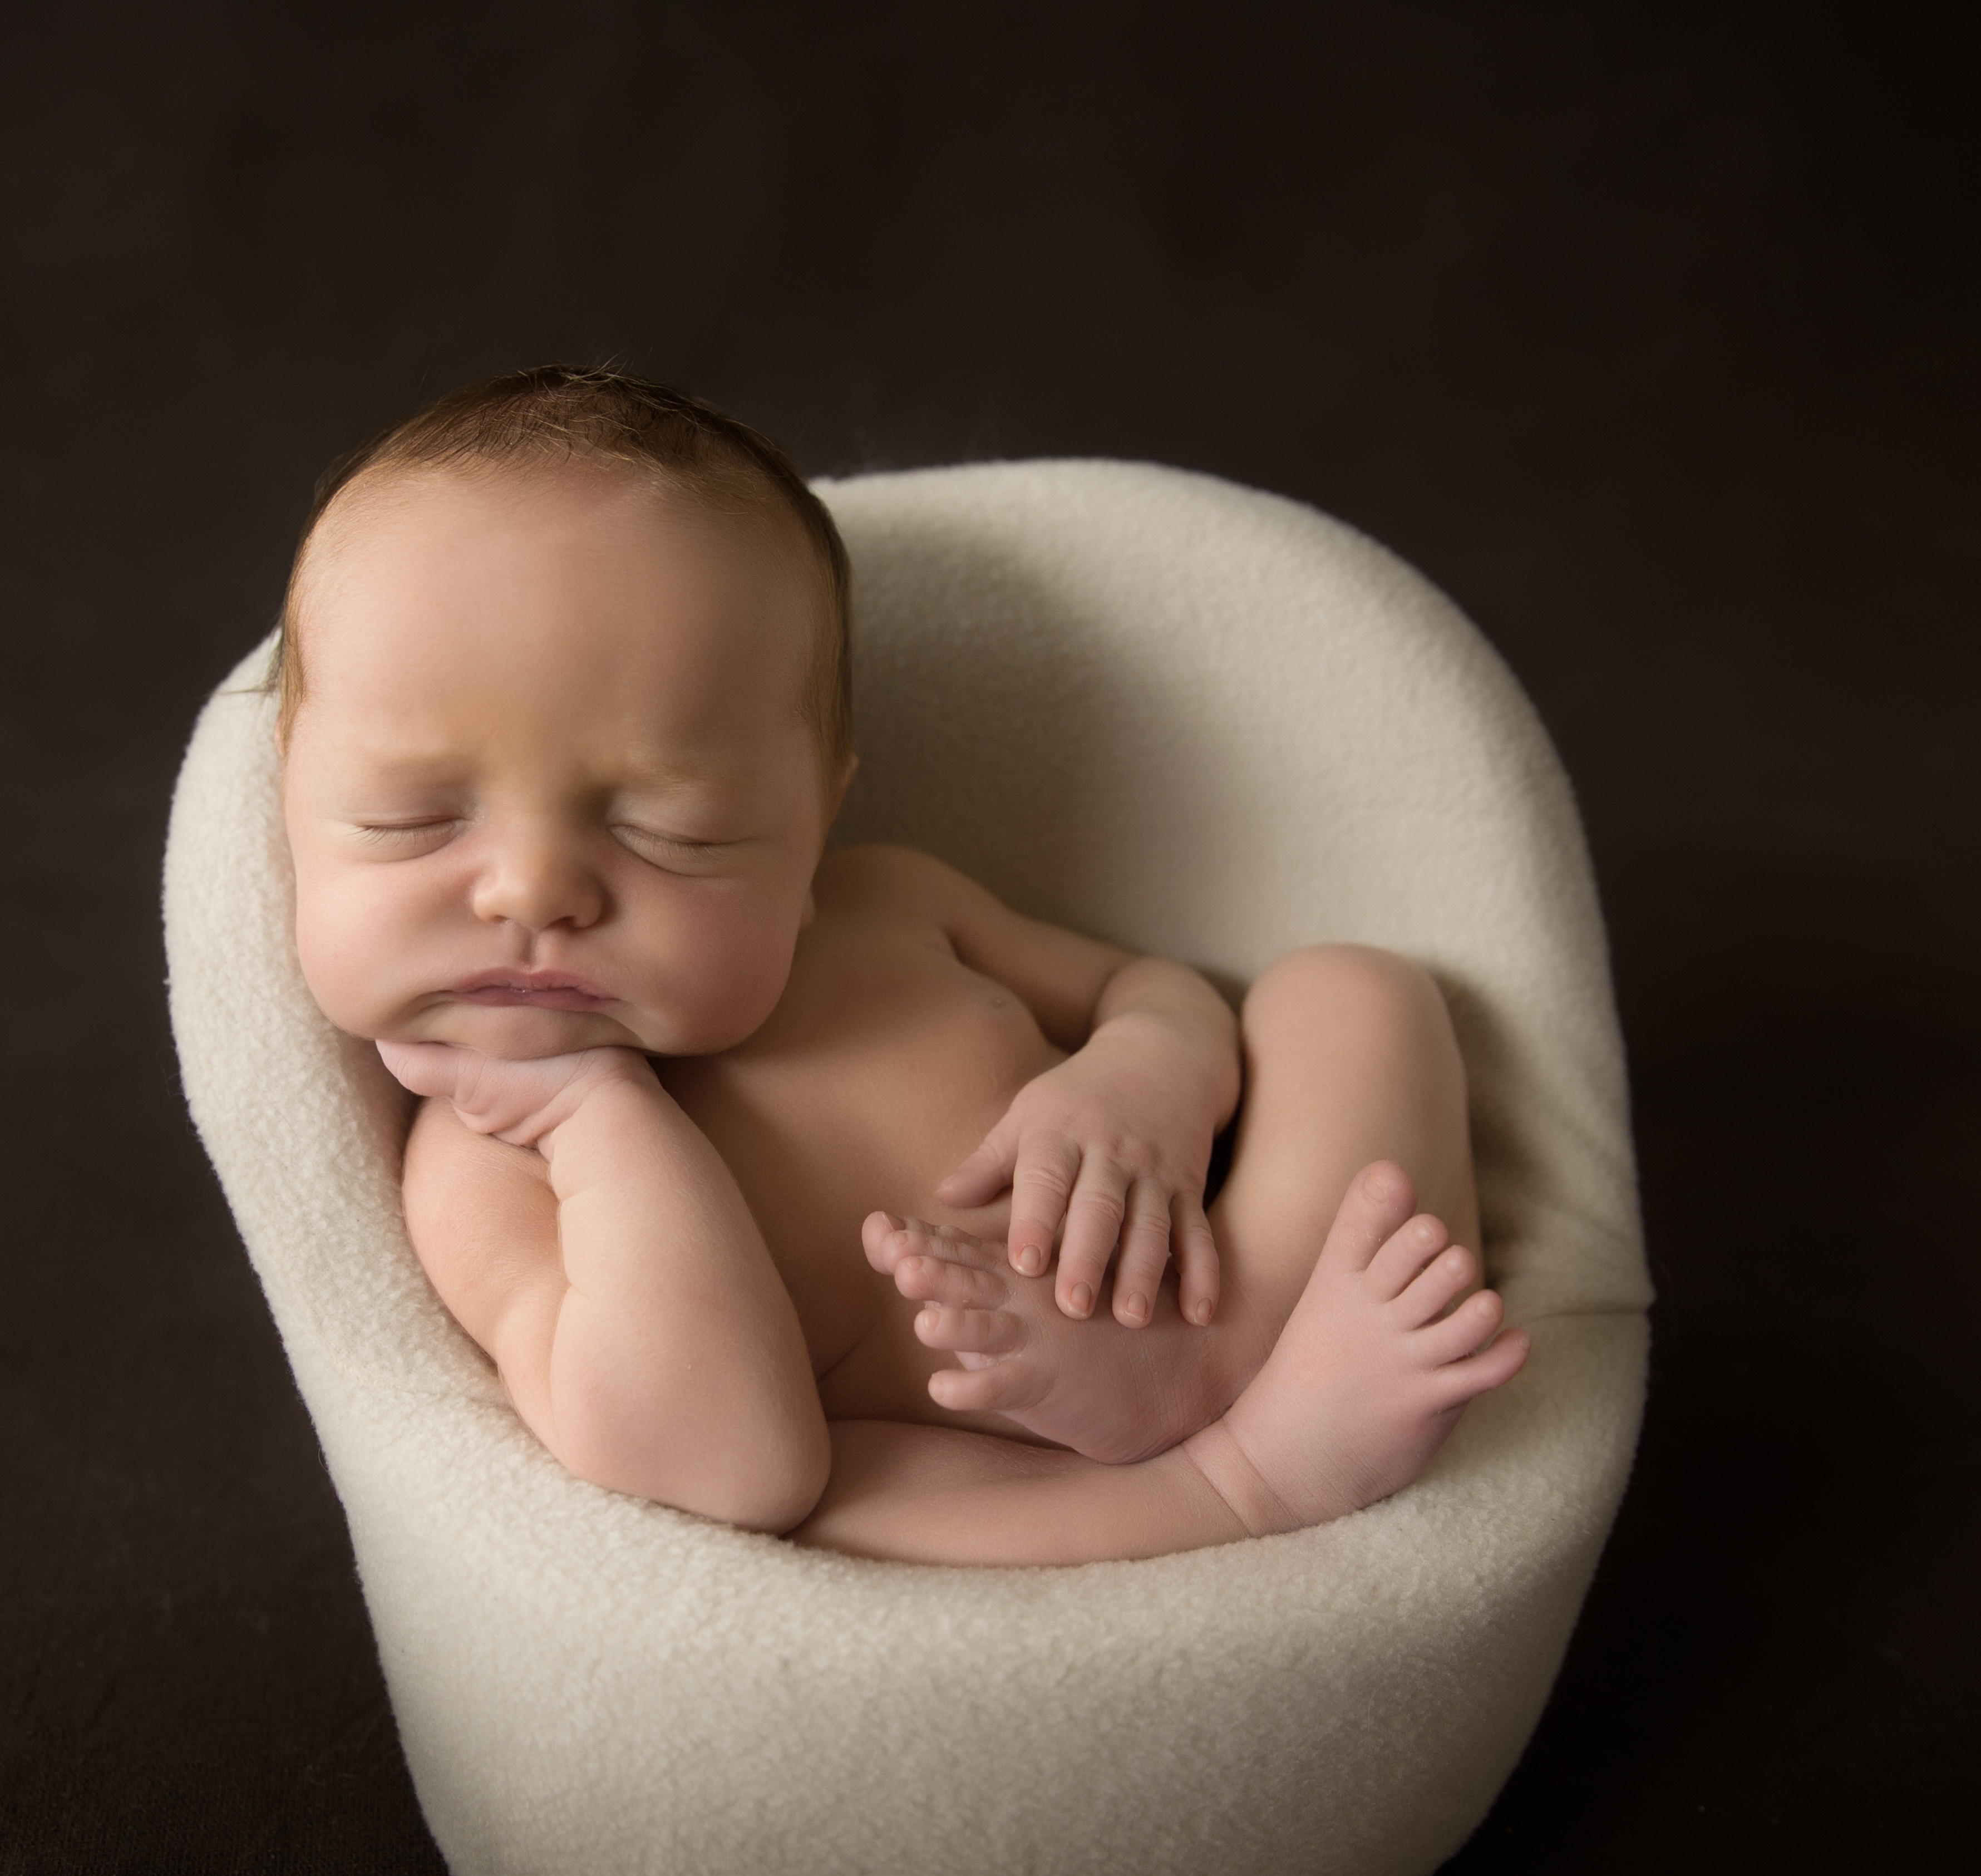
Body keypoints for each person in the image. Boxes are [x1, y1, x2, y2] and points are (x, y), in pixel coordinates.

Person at [277, 366, 1527, 1568]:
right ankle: (1251, 1479)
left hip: (1237, 1262)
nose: (532, 891)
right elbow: (726, 1467)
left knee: (1354, 993)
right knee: (827, 1507)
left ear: (816, 819)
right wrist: (596, 1115)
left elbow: (1149, 988)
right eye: (413, 820)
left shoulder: (892, 906)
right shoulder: (487, 1167)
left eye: (674, 831)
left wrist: (1146, 1073)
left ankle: (1227, 1352)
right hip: (1004, 1457)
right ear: (288, 796)